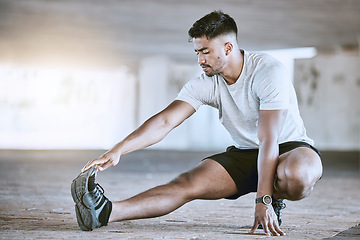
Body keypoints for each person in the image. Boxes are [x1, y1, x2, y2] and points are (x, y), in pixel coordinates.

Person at [72, 10, 323, 236]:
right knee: (185, 184)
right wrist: (118, 150)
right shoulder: (206, 83)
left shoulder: (268, 71)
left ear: (227, 48)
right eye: (197, 52)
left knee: (296, 175)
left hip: (288, 148)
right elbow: (165, 121)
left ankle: (276, 195)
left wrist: (263, 199)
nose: (200, 60)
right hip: (247, 152)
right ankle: (105, 211)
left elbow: (269, 139)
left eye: (206, 52)